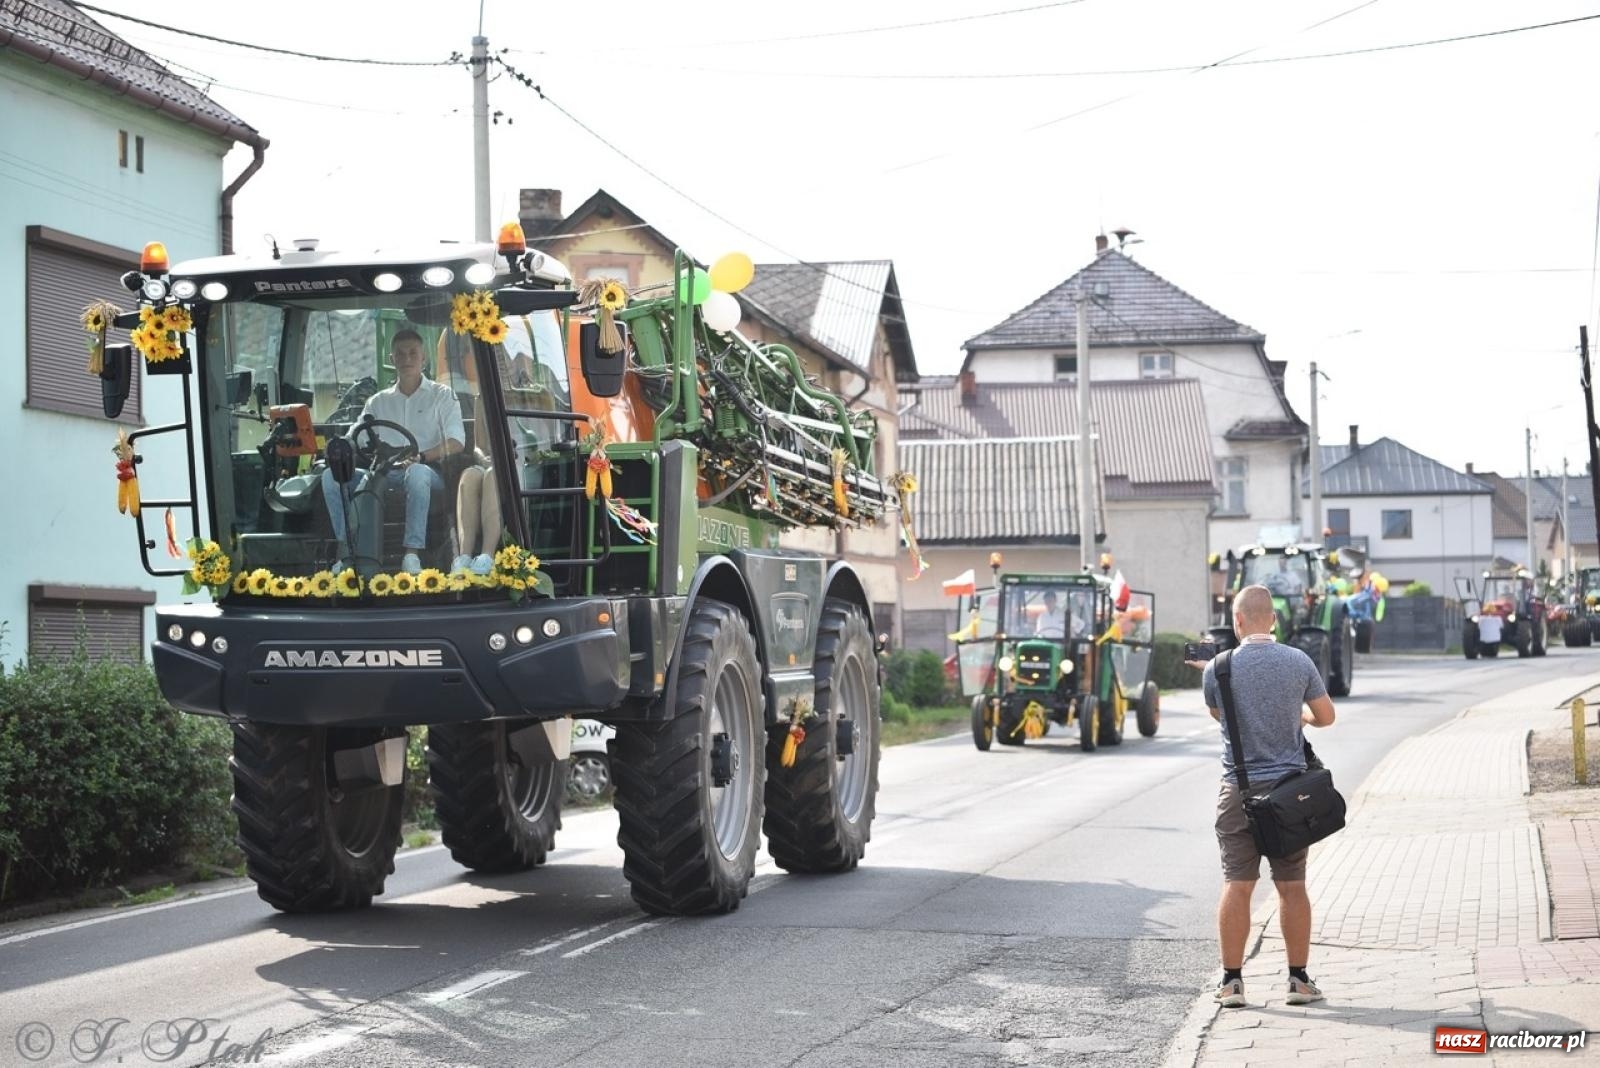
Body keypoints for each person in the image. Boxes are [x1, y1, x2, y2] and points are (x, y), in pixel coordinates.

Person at [1189, 584, 1336, 1009]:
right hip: (1289, 797)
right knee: (1292, 887)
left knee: (1237, 886)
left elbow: (1221, 716)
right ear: (1272, 619)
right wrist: (1299, 716)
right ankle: (1298, 981)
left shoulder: (1215, 668)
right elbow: (1325, 717)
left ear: (1236, 622)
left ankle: (1232, 983)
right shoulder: (1298, 660)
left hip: (1237, 791)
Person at [320, 329, 464, 575]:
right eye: (400, 354)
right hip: (382, 474)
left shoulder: (443, 396)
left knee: (417, 473)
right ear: (391, 359)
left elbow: (456, 441)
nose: (407, 358)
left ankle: (412, 555)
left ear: (423, 358)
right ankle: (348, 550)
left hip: (428, 473)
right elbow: (355, 436)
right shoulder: (377, 402)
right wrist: (341, 448)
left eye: (412, 353)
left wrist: (422, 456)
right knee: (330, 477)